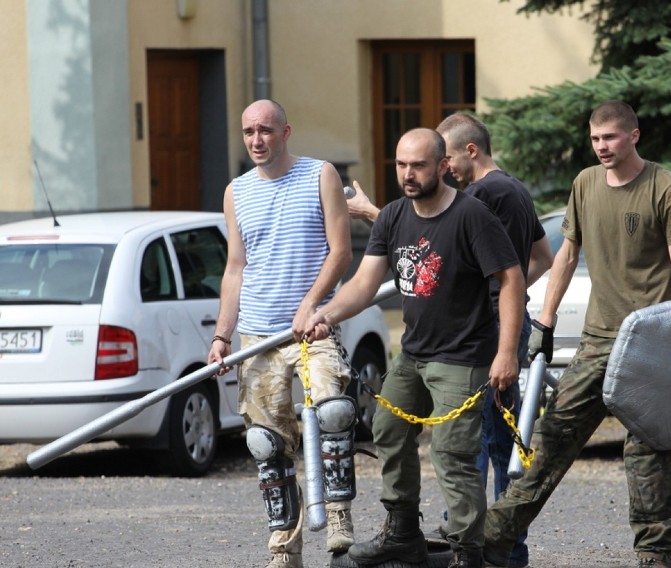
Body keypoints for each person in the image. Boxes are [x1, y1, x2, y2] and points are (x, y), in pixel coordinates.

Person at [483, 100, 671, 568]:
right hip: (598, 340)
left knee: (648, 451)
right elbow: (566, 256)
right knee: (552, 436)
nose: (602, 146)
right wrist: (545, 320)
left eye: (611, 138)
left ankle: (654, 553)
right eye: (596, 139)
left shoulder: (667, 188)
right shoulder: (584, 183)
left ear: (633, 136)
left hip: (650, 343)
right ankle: (492, 541)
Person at [304, 127, 526, 568]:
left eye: (419, 165)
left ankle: (467, 552)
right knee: (387, 426)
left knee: (452, 452)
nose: (408, 174)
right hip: (415, 353)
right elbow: (365, 284)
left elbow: (511, 278)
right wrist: (326, 314)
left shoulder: (472, 215)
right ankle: (403, 532)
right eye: (401, 165)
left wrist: (506, 353)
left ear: (443, 166)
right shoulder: (392, 216)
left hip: (464, 357)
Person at [208, 99, 356, 568]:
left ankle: (337, 513)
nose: (256, 140)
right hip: (257, 334)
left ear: (286, 132)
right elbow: (235, 268)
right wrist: (222, 336)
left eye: (266, 131)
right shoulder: (236, 191)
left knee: (332, 410)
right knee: (266, 445)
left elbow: (341, 252)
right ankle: (284, 548)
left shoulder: (320, 174)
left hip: (311, 330)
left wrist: (312, 304)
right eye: (249, 131)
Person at [435, 113, 552, 568]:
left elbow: (444, 252)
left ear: (470, 150)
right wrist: (514, 297)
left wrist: (500, 300)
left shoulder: (482, 194)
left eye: (446, 158)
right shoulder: (516, 188)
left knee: (475, 437)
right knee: (502, 437)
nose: (444, 169)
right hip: (507, 325)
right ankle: (506, 546)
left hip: (485, 332)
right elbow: (542, 258)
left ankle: (471, 546)